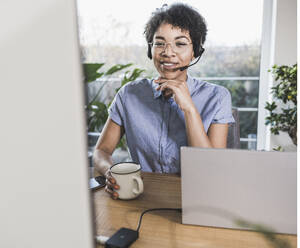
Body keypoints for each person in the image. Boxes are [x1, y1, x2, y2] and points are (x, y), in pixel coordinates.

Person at [93, 3, 235, 199]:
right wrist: (111, 172)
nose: (168, 52)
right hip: (140, 195)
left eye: (180, 43)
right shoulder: (129, 94)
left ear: (196, 51)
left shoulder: (218, 97)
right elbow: (102, 150)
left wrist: (189, 109)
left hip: (196, 197)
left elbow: (210, 170)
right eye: (160, 43)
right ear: (150, 49)